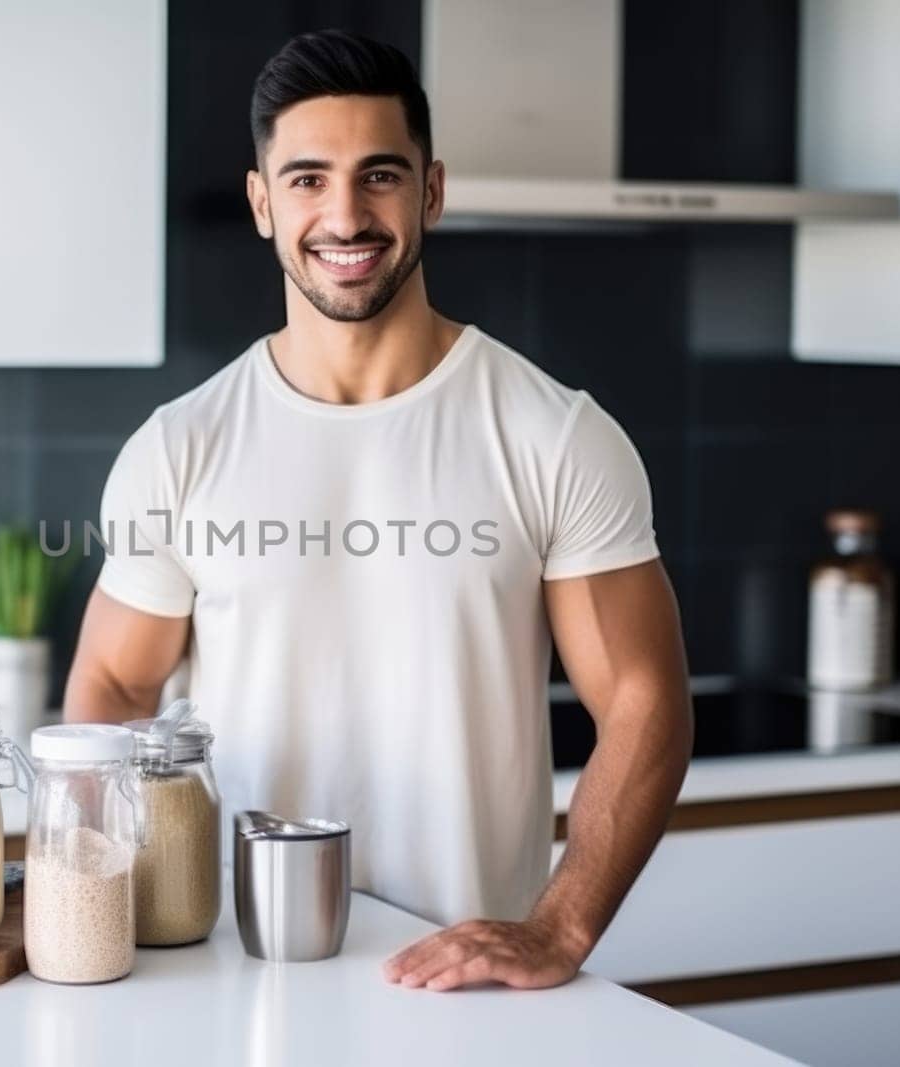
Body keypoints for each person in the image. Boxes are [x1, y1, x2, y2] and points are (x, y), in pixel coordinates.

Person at [64, 29, 691, 992]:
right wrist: (121, 907)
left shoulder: (552, 434)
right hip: (231, 978)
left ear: (431, 191)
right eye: (308, 179)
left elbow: (647, 701)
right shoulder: (180, 447)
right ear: (262, 202)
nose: (345, 215)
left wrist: (560, 928)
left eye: (380, 176)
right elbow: (111, 683)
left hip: (465, 989)